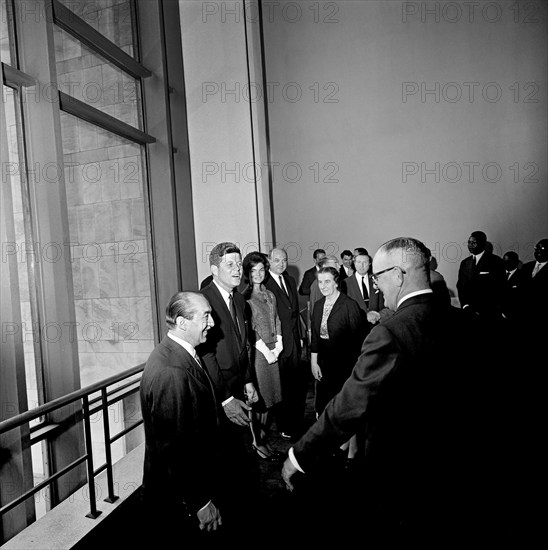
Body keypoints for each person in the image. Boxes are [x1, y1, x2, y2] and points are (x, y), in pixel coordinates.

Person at [282, 237, 489, 542]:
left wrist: (299, 455)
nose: (376, 287)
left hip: (404, 473)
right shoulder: (469, 322)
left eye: (378, 277)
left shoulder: (389, 332)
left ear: (398, 275)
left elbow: (350, 405)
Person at [140, 292, 223, 543]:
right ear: (183, 322)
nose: (212, 323)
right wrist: (200, 502)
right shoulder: (171, 372)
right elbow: (174, 447)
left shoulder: (178, 353)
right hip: (180, 500)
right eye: (206, 316)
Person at [310, 266, 363, 465]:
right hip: (324, 363)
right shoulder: (317, 305)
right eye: (320, 282)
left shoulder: (349, 305)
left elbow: (358, 339)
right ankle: (335, 444)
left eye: (327, 282)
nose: (323, 286)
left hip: (345, 364)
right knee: (326, 407)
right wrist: (314, 362)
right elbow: (315, 336)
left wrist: (356, 370)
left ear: (336, 282)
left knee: (346, 408)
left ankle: (351, 449)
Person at [242, 251, 284, 460]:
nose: (258, 274)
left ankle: (263, 438)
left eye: (261, 270)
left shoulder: (270, 294)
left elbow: (276, 319)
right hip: (258, 354)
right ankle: (257, 442)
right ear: (247, 273)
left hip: (272, 350)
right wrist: (267, 351)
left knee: (271, 400)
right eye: (253, 270)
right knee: (259, 401)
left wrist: (279, 344)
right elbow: (251, 331)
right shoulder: (245, 298)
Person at [264, 247, 306, 440]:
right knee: (282, 387)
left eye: (284, 260)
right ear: (269, 262)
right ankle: (284, 425)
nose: (281, 263)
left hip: (294, 342)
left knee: (297, 385)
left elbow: (294, 312)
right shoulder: (264, 283)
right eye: (277, 260)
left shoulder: (289, 280)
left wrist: (300, 337)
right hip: (278, 344)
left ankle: (297, 423)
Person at [457, 230, 505, 320]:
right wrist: (465, 305)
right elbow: (461, 286)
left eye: (474, 243)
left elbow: (500, 287)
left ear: (483, 244)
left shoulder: (495, 261)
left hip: (489, 313)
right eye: (469, 242)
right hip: (469, 312)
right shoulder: (465, 263)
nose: (470, 245)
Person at [341, 251, 391, 330]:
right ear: (354, 263)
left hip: (376, 327)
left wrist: (378, 315)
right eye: (359, 262)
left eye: (365, 262)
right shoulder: (345, 283)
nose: (362, 265)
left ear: (370, 263)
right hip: (356, 329)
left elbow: (386, 304)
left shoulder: (377, 280)